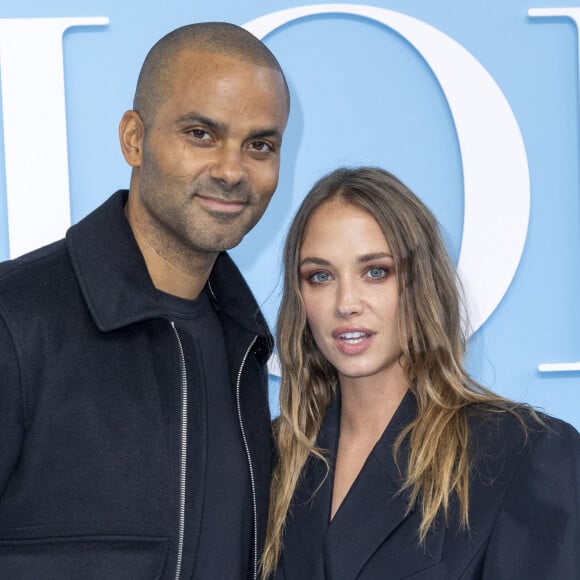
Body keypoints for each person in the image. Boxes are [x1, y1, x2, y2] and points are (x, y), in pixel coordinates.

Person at [0, 22, 289, 580]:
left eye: (260, 145)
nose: (232, 170)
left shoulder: (244, 346)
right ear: (134, 138)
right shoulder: (16, 320)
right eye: (201, 133)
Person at [263, 167, 580, 579]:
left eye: (376, 271)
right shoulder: (271, 458)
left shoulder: (520, 452)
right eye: (320, 276)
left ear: (419, 283)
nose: (346, 302)